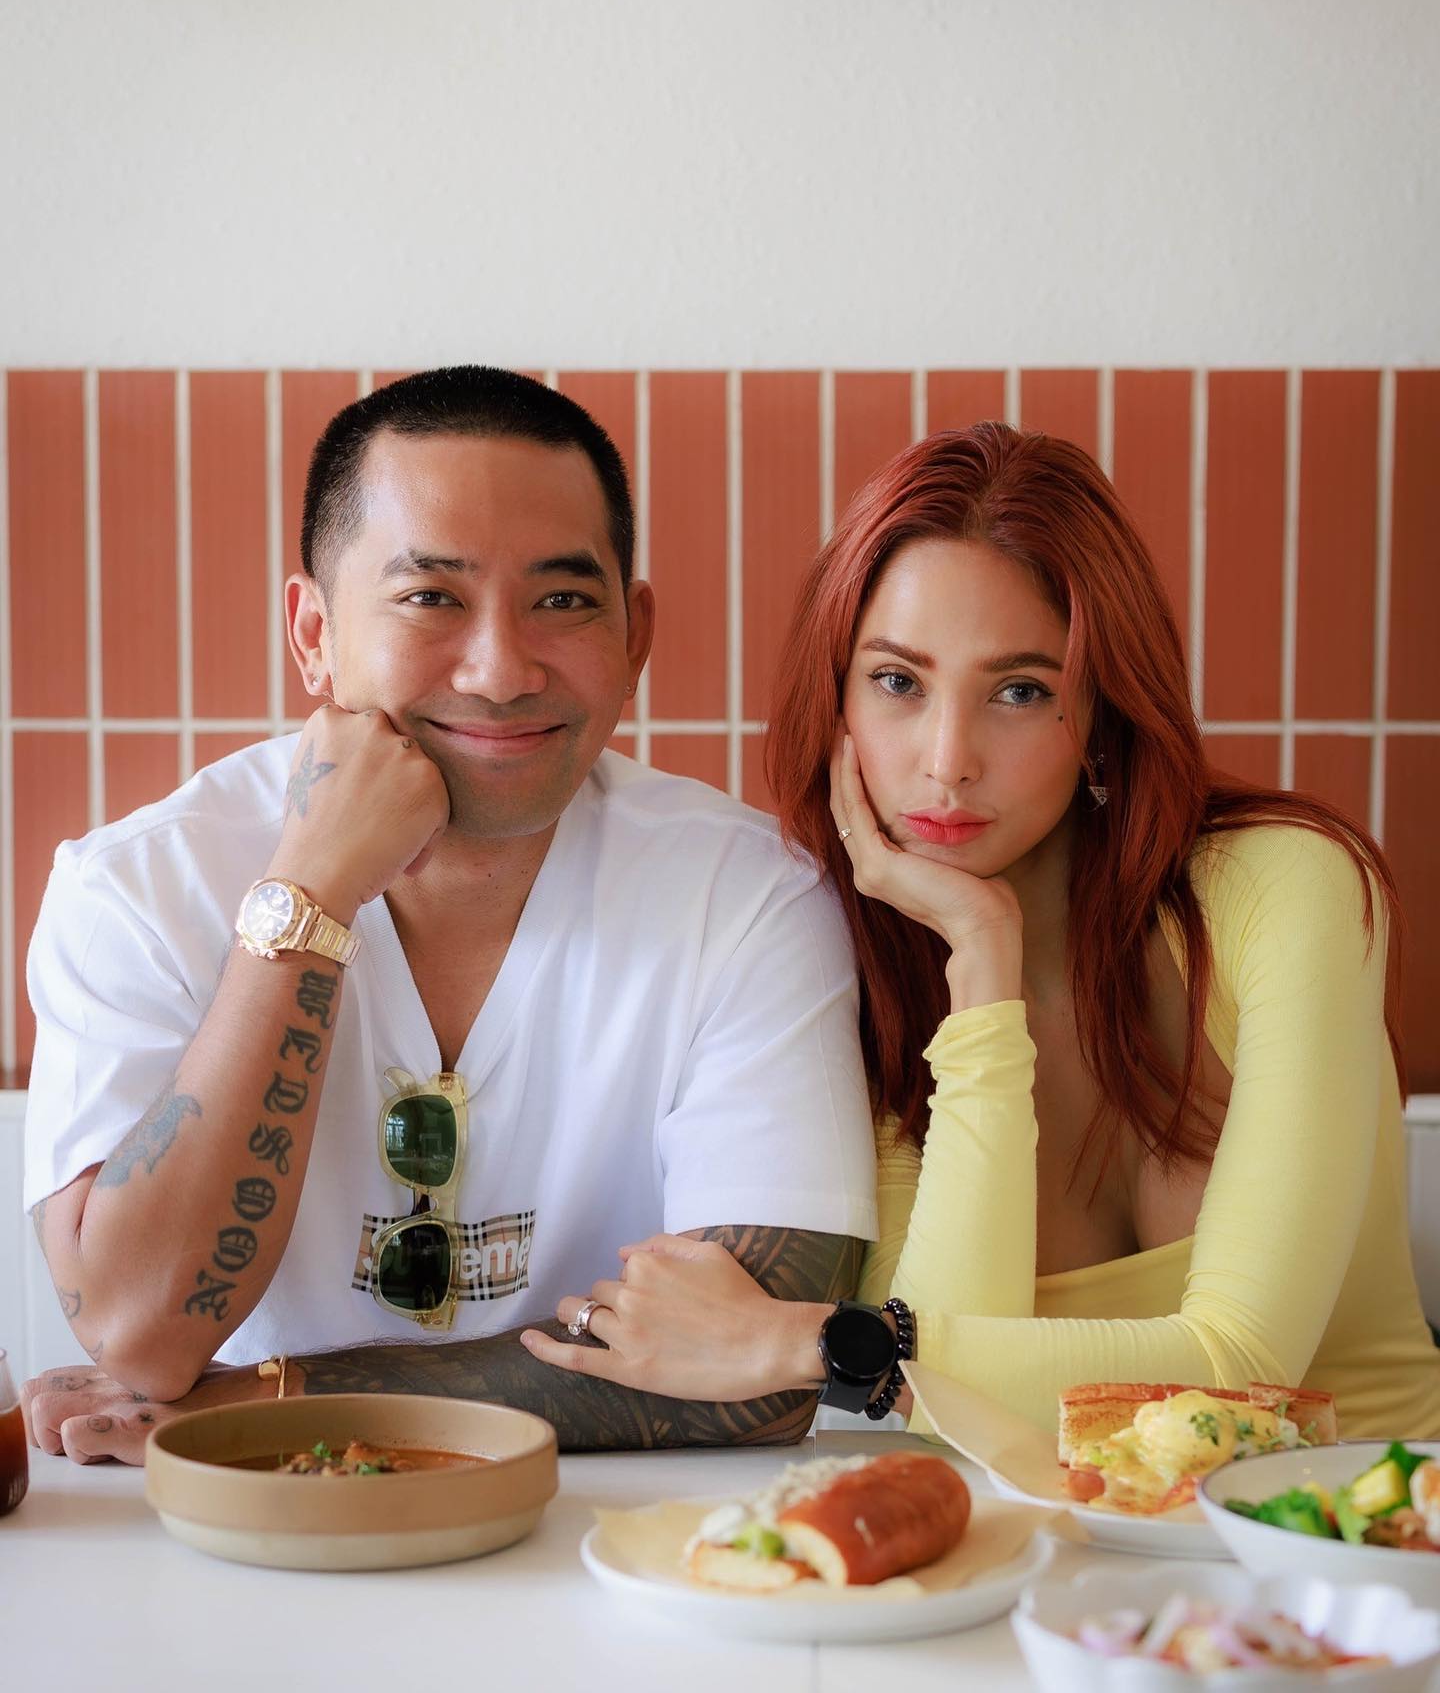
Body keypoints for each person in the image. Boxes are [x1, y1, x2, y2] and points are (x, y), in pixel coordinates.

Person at [22, 367, 876, 1465]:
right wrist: (310, 896)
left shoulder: (748, 894)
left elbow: (763, 1374)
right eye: (431, 598)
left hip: (627, 1540)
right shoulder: (137, 890)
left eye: (563, 601)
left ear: (635, 636)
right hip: (253, 1532)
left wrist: (272, 1401)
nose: (501, 670)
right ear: (314, 632)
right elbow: (140, 1334)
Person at [524, 422, 1440, 1440]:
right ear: (837, 701)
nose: (948, 759)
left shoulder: (1283, 887)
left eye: (1020, 691)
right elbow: (946, 1411)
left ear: (1103, 709)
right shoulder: (837, 959)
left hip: (1368, 1518)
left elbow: (1241, 1364)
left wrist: (805, 1342)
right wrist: (984, 962)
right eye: (898, 682)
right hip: (1039, 1531)